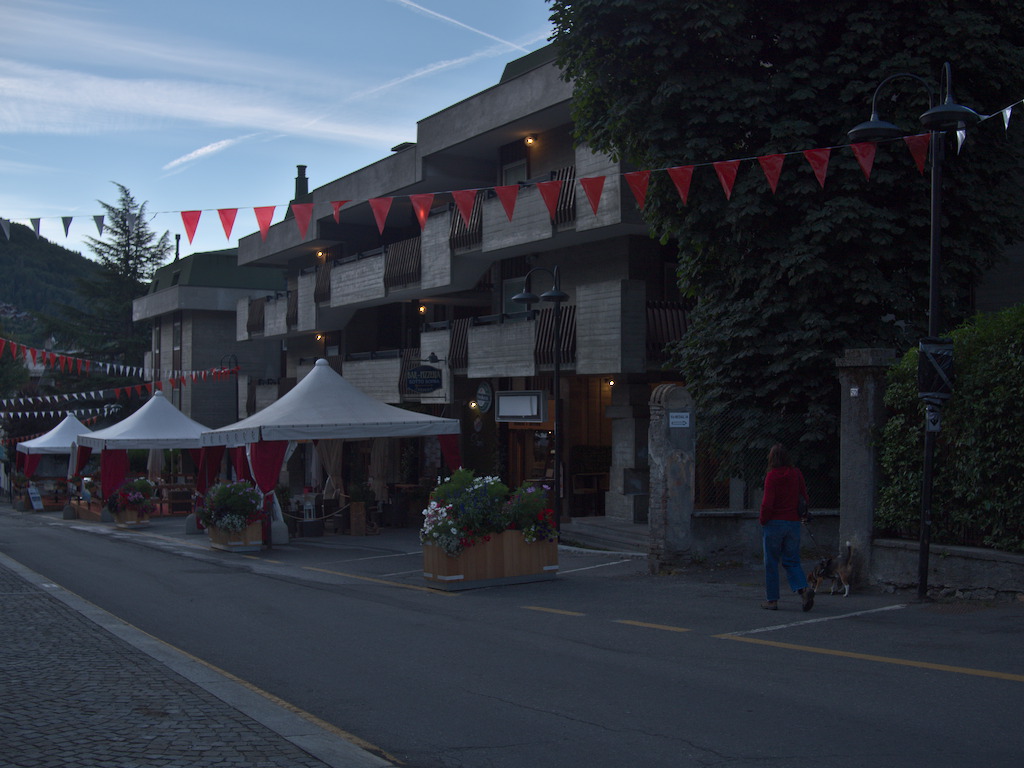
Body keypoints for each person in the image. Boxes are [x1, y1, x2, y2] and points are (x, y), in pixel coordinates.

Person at [759, 443, 814, 611]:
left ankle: (772, 600)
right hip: (793, 523)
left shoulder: (772, 476)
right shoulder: (796, 474)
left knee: (771, 563)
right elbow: (804, 496)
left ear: (771, 458)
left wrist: (763, 520)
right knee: (792, 560)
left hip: (774, 523)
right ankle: (803, 589)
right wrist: (803, 515)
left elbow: (768, 503)